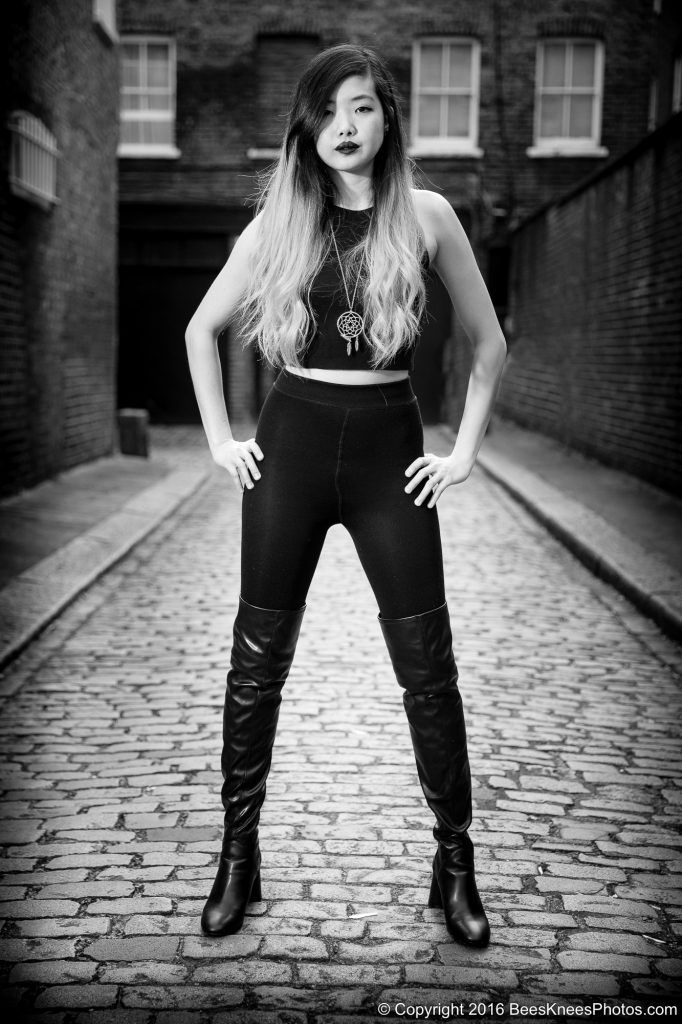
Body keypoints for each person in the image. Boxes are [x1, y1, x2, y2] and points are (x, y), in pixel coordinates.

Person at [185, 43, 507, 948]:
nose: (345, 127)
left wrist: (463, 454)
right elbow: (201, 330)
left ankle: (455, 865)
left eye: (362, 108)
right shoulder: (283, 221)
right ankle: (237, 859)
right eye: (329, 112)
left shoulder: (429, 215)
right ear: (307, 125)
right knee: (257, 666)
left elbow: (488, 347)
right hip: (288, 447)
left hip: (387, 457)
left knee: (428, 669)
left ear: (386, 118)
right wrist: (221, 440)